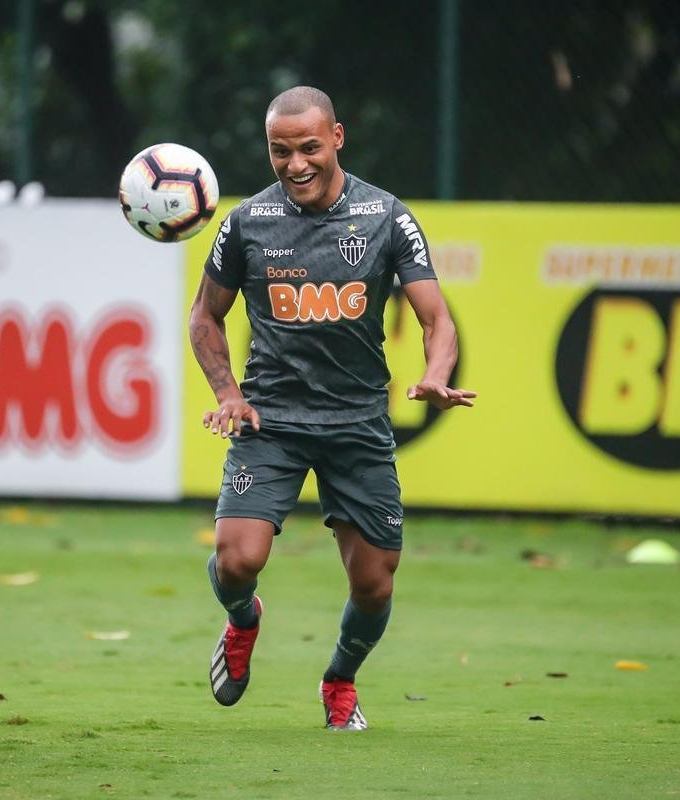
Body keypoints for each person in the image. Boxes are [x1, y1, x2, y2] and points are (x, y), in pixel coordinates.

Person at [190, 86, 475, 731]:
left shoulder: (387, 217)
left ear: (338, 138)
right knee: (235, 562)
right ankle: (242, 620)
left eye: (309, 148)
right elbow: (205, 315)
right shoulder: (246, 223)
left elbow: (436, 318)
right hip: (271, 420)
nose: (295, 164)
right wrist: (228, 394)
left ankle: (340, 678)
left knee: (374, 585)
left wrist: (436, 375)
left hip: (357, 423)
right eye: (280, 151)